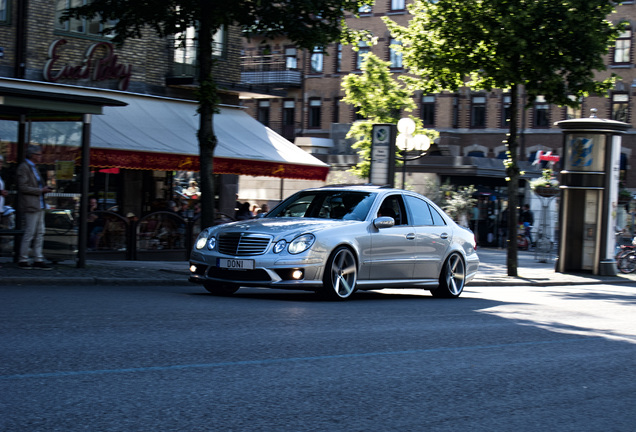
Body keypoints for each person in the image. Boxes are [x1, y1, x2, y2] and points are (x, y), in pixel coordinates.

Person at [17, 145, 53, 270]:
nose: (40, 156)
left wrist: (42, 190)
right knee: (30, 232)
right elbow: (23, 187)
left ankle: (38, 258)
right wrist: (40, 190)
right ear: (32, 155)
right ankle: (23, 258)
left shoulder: (34, 168)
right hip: (31, 204)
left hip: (38, 204)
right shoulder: (24, 167)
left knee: (40, 232)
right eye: (38, 154)